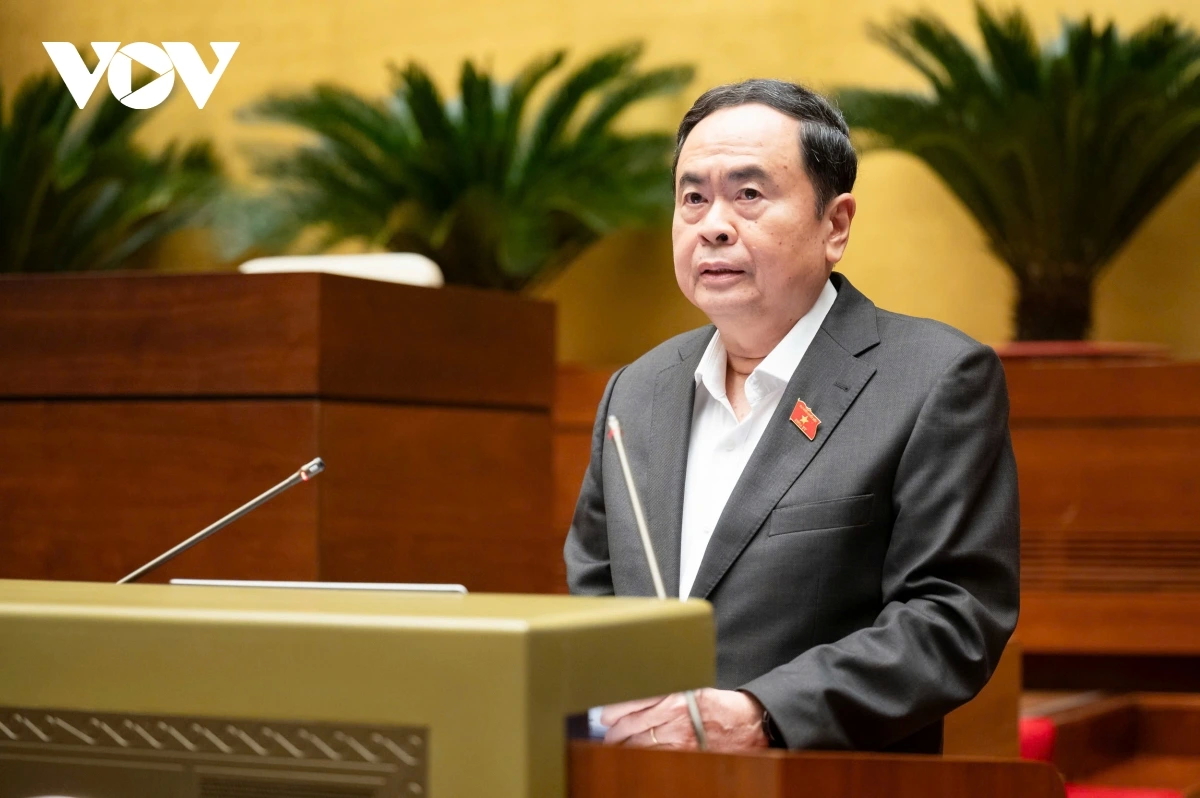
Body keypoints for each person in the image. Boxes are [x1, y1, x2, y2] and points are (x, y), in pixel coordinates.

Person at [563, 79, 1020, 754]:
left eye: (749, 194)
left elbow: (952, 619)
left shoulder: (933, 379)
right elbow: (594, 596)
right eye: (693, 198)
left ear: (835, 226)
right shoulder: (636, 391)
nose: (714, 225)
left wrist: (763, 714)